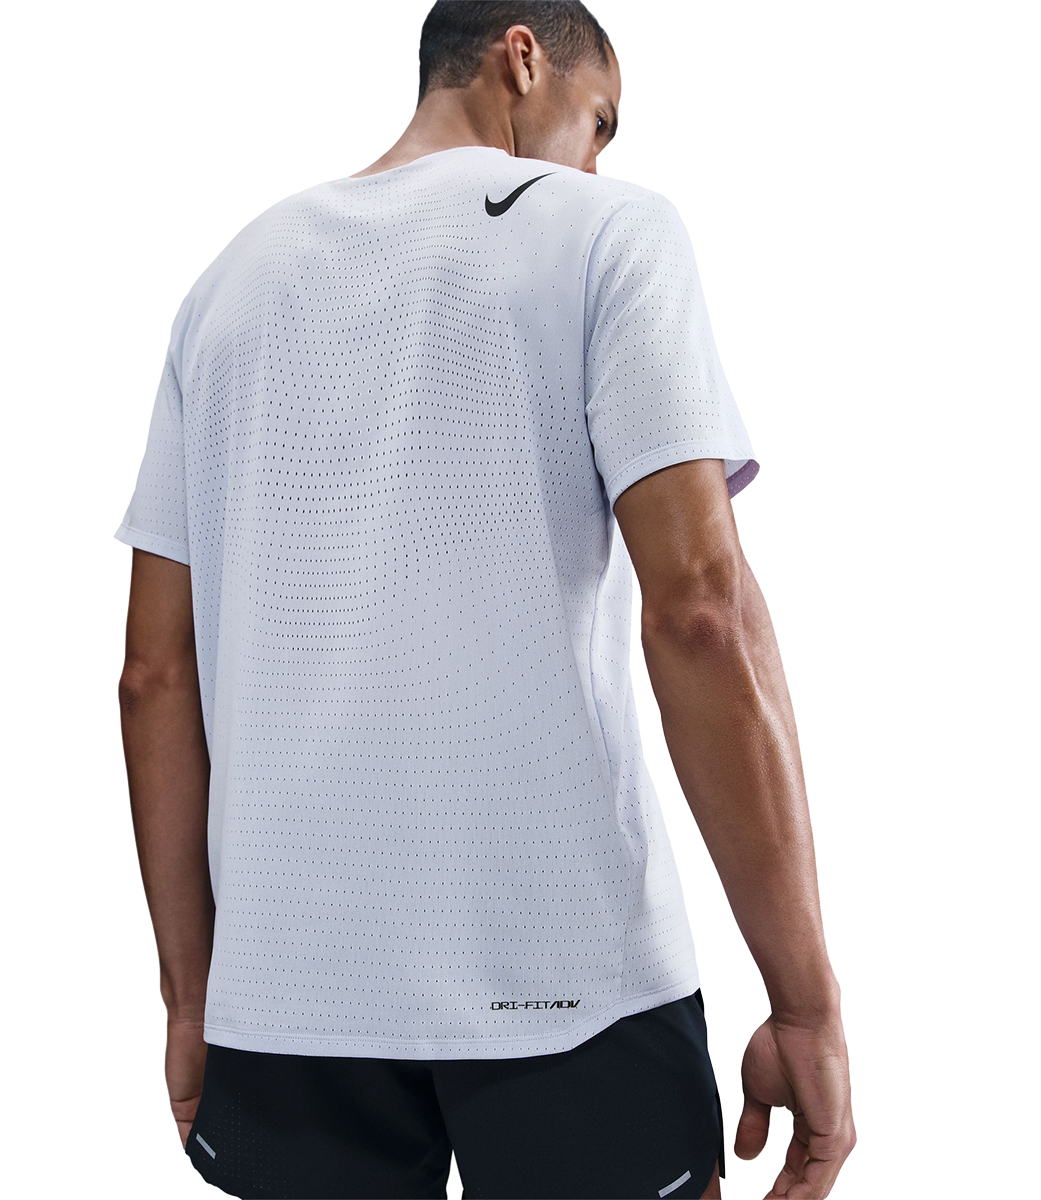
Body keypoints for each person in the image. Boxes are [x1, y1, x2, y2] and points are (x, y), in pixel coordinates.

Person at [115, 2, 855, 1197]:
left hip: (287, 1002)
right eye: (599, 121)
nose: (598, 162)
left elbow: (154, 677)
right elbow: (701, 612)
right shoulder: (611, 233)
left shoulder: (226, 287)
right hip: (571, 978)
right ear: (523, 59)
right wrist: (806, 1005)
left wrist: (193, 999)